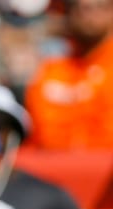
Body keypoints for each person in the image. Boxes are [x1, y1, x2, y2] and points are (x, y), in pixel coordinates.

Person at [23, 0, 113, 149]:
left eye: (99, 6)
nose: (88, 13)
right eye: (80, 7)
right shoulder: (49, 70)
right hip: (51, 167)